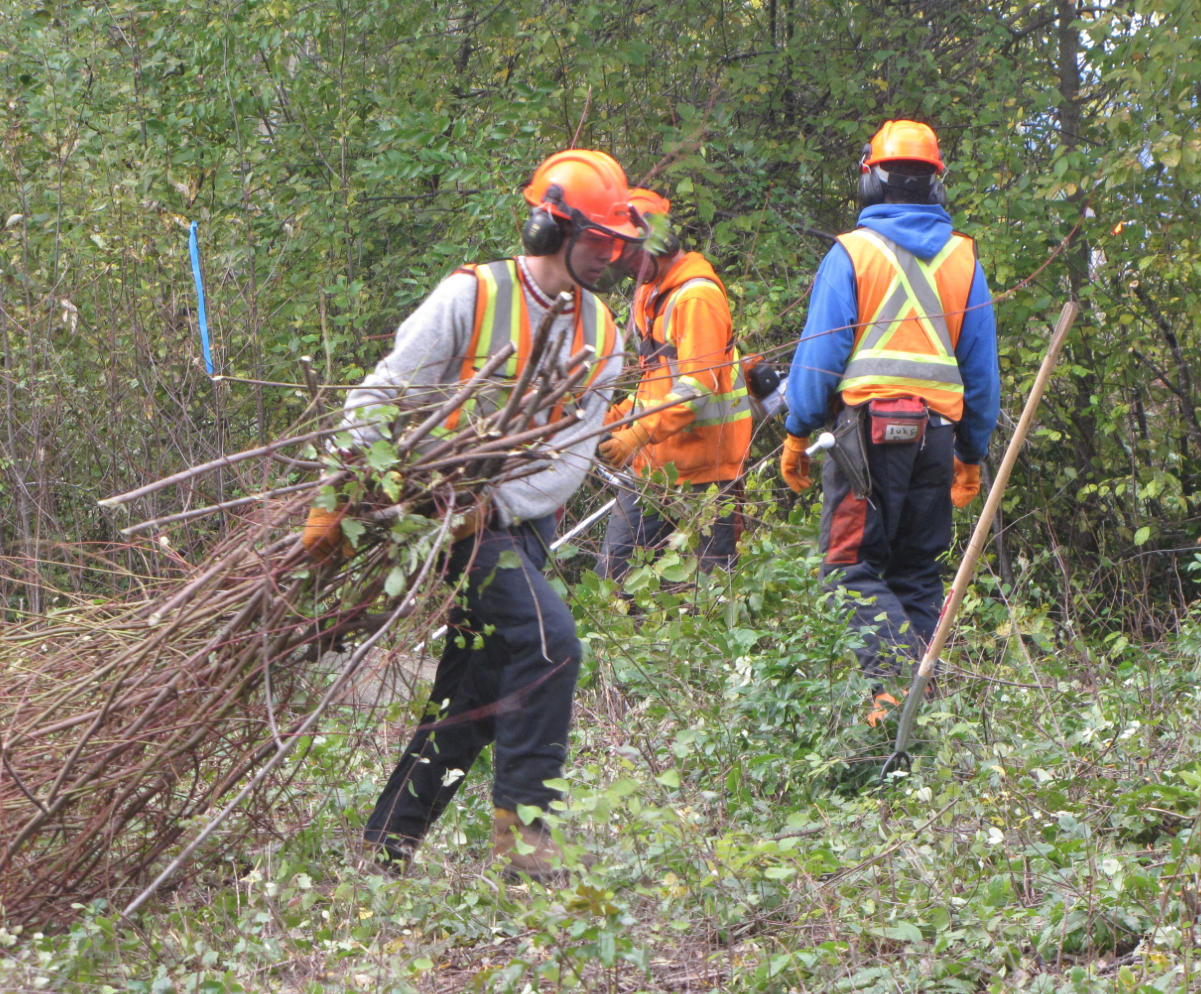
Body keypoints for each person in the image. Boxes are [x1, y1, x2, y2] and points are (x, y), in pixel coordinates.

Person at [304, 150, 643, 880]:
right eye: (601, 241)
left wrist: (502, 503)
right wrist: (337, 495)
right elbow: (381, 393)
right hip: (445, 514)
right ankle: (525, 845)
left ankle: (386, 844)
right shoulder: (473, 297)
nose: (611, 259)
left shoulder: (603, 335)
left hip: (519, 520)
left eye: (620, 246)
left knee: (477, 690)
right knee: (551, 646)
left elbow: (574, 458)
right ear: (549, 227)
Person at [780, 120, 1000, 683]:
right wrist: (972, 453)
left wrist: (798, 429)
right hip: (936, 438)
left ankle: (892, 691)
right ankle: (918, 708)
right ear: (937, 185)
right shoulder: (962, 260)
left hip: (867, 437)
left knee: (849, 570)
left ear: (870, 181)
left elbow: (819, 354)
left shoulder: (852, 254)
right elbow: (980, 373)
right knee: (916, 574)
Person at [595, 188, 752, 580]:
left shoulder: (697, 297)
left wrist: (637, 435)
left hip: (705, 472)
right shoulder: (651, 294)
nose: (626, 266)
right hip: (654, 466)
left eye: (629, 254)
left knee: (711, 590)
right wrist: (611, 419)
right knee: (612, 578)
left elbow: (696, 387)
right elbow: (657, 381)